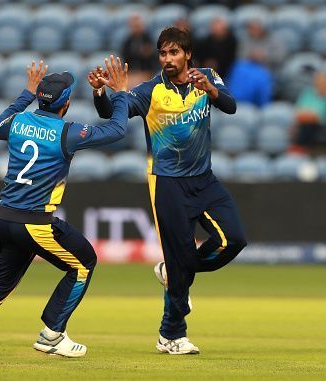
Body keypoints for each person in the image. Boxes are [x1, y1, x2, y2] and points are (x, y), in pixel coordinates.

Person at [0, 57, 129, 358]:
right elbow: (116, 131)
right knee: (83, 263)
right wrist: (121, 93)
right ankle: (52, 334)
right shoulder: (67, 132)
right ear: (66, 103)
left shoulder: (19, 123)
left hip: (5, 218)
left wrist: (27, 93)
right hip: (35, 224)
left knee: (0, 284)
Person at [90, 27, 247, 355]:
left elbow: (231, 107)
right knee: (180, 261)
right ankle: (171, 336)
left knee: (234, 240)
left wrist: (212, 92)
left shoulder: (206, 77)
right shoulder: (149, 91)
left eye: (174, 53)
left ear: (187, 54)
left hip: (205, 180)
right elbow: (110, 115)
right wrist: (103, 94)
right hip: (168, 183)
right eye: (163, 54)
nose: (168, 59)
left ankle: (173, 271)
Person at [289, 71, 326, 154]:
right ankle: (299, 149)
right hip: (305, 125)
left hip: (324, 128)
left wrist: (312, 116)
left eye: (324, 81)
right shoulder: (307, 94)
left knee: (309, 125)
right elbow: (298, 112)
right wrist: (311, 116)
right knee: (305, 125)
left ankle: (301, 148)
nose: (322, 84)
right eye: (319, 81)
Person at [121, 14, 157, 88]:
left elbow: (153, 57)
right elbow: (125, 58)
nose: (136, 28)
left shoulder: (148, 39)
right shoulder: (127, 41)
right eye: (134, 26)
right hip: (131, 73)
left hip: (146, 72)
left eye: (138, 26)